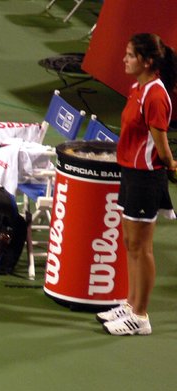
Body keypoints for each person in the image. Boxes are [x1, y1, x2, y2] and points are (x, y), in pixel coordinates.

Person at [96, 33, 177, 336]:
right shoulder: (137, 88)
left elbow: (161, 141)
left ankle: (141, 316)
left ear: (147, 61)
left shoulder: (155, 95)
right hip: (130, 172)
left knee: (142, 248)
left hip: (146, 177)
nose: (124, 59)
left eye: (130, 55)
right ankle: (130, 305)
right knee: (130, 244)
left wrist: (170, 165)